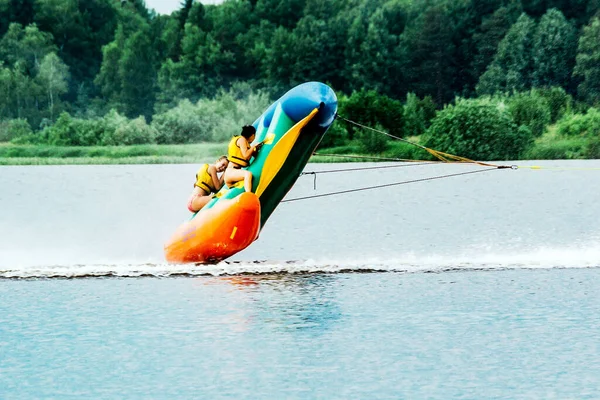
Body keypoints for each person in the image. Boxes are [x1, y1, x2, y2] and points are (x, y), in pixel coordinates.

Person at [224, 125, 263, 193]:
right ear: (252, 135)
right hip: (231, 171)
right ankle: (248, 195)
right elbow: (245, 155)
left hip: (233, 172)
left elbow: (253, 154)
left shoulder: (244, 142)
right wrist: (253, 146)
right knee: (248, 174)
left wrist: (255, 149)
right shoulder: (241, 140)